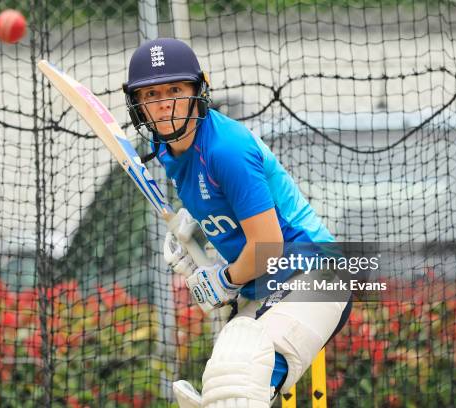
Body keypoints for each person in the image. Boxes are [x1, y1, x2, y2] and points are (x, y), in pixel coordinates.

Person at [123, 38, 351, 407]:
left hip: (315, 275)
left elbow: (268, 245)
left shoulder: (226, 149)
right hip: (263, 287)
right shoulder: (167, 150)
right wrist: (202, 257)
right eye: (151, 94)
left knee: (241, 370)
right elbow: (236, 226)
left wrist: (224, 280)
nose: (164, 103)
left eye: (175, 89)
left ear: (199, 90)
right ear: (138, 103)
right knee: (226, 384)